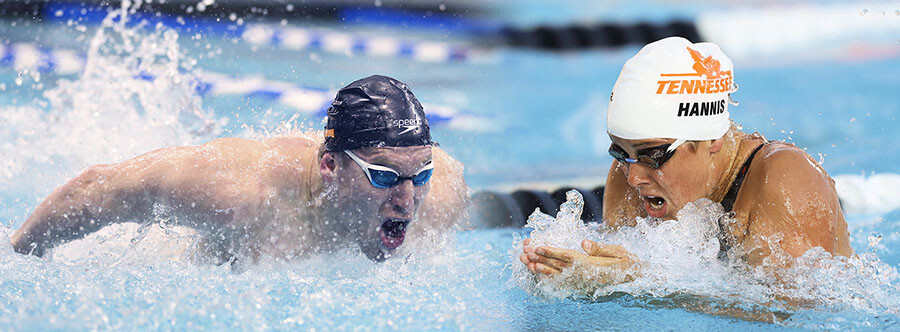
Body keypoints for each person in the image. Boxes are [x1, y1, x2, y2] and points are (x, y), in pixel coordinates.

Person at [10, 75, 468, 263]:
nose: (407, 201)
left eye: (420, 175)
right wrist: (17, 256)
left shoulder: (441, 195)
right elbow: (100, 186)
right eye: (383, 177)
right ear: (330, 166)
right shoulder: (242, 195)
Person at [520, 37, 852, 281]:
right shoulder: (627, 177)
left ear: (711, 139)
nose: (633, 176)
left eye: (652, 155)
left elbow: (795, 313)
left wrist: (641, 281)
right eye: (620, 153)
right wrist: (569, 277)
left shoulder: (784, 179)